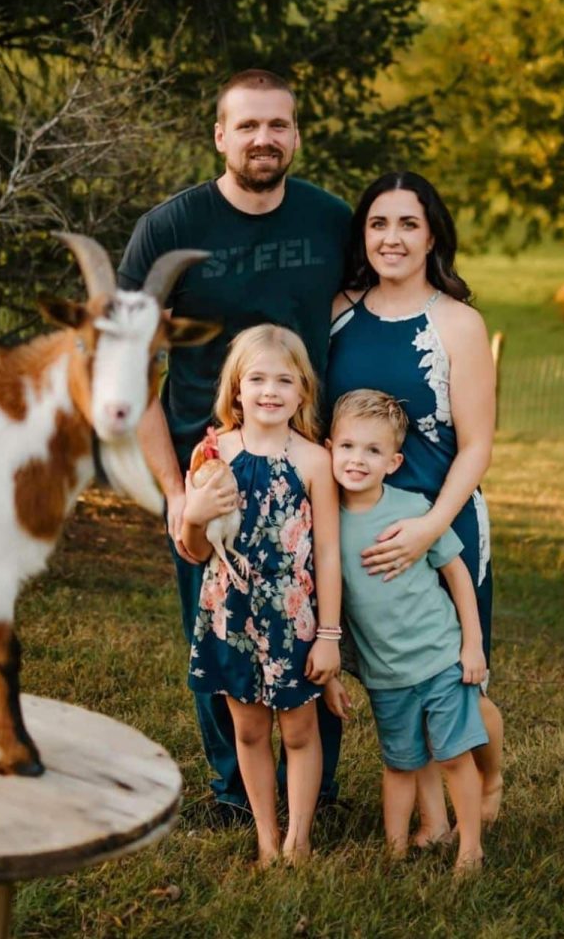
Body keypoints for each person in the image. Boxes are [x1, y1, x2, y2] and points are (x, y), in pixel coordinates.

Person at [118, 69, 351, 818]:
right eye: (246, 125)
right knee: (223, 635)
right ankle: (235, 794)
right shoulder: (170, 231)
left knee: (311, 625)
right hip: (210, 470)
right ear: (219, 135)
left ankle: (316, 789)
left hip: (307, 468)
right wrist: (175, 492)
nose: (263, 139)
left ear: (295, 135)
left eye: (277, 125)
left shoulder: (331, 221)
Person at [326, 172, 503, 835]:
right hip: (359, 522)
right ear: (363, 235)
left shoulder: (459, 323)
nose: (392, 238)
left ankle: (489, 776)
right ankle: (430, 820)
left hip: (442, 518)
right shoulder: (336, 310)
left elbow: (478, 445)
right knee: (396, 674)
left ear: (432, 236)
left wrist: (430, 527)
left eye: (407, 224)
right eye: (378, 224)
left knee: (457, 674)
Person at [182, 325, 341, 865]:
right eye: (257, 379)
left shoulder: (314, 461)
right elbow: (195, 550)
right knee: (248, 730)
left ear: (302, 391)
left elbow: (328, 556)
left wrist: (328, 635)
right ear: (236, 389)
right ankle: (267, 840)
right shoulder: (211, 453)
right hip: (230, 614)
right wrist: (195, 515)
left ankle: (299, 841)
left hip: (292, 621)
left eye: (284, 380)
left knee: (299, 730)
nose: (270, 391)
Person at [324, 389, 488, 872]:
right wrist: (334, 673)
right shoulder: (324, 522)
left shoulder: (412, 508)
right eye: (348, 446)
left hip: (440, 657)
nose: (358, 460)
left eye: (373, 451)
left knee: (455, 756)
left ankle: (470, 849)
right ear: (330, 446)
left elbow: (457, 573)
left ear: (393, 462)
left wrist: (472, 645)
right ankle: (395, 850)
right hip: (385, 673)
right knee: (400, 762)